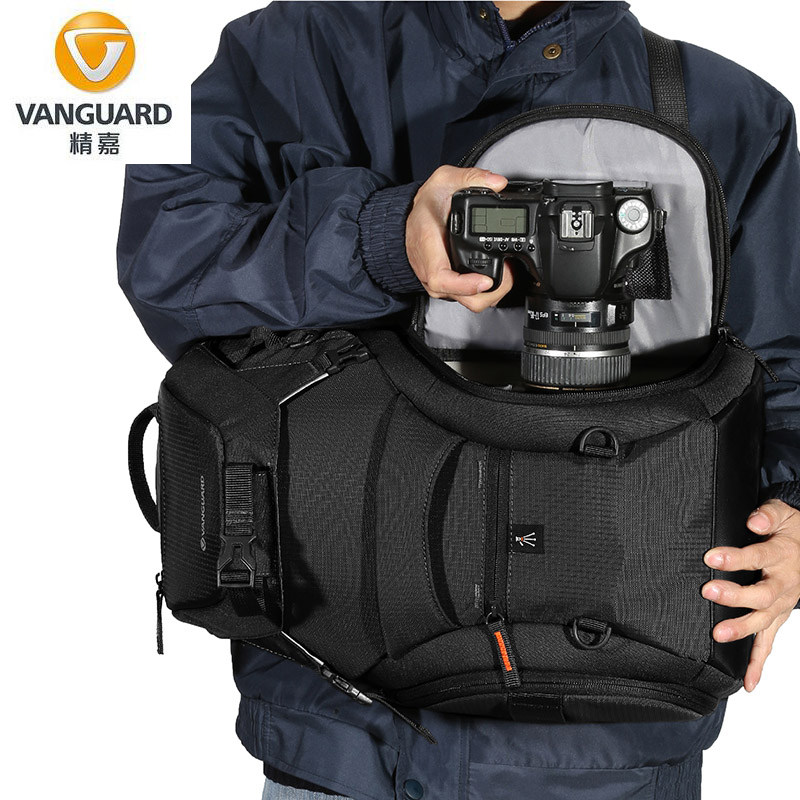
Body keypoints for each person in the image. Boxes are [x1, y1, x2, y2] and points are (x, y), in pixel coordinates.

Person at [117, 2, 800, 798]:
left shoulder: (727, 113)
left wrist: (794, 523)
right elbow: (166, 260)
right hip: (342, 729)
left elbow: (785, 372)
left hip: (607, 750)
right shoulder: (285, 55)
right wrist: (381, 240)